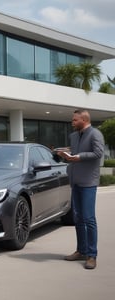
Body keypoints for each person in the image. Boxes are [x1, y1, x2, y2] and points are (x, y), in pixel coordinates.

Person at [56, 109, 104, 270]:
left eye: (75, 120)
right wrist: (66, 153)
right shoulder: (74, 136)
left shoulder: (96, 134)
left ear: (84, 120)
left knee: (89, 218)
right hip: (75, 181)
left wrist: (79, 156)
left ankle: (92, 255)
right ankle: (81, 250)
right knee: (77, 218)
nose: (72, 122)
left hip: (89, 182)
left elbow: (98, 153)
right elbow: (75, 153)